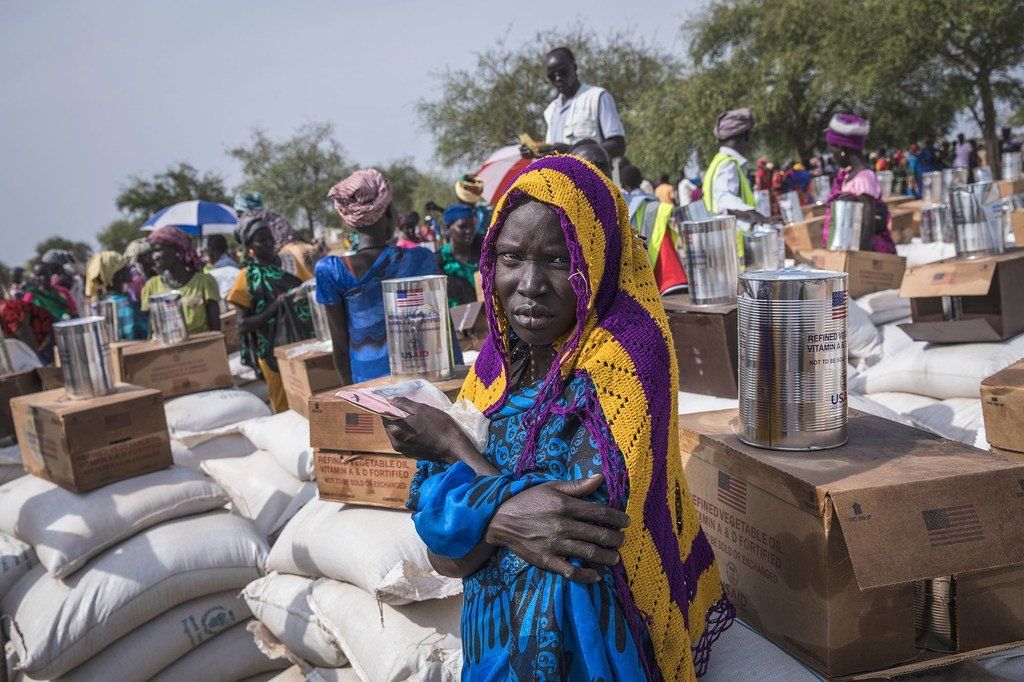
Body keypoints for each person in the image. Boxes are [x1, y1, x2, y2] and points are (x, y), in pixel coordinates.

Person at [385, 154, 733, 680]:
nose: (530, 284)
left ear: (595, 258)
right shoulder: (494, 366)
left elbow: (580, 535)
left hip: (593, 655)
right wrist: (503, 516)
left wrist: (455, 450)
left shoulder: (628, 356)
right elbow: (441, 550)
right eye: (511, 257)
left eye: (556, 260)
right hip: (492, 646)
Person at [316, 169, 439, 385]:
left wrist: (352, 395)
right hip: (425, 381)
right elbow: (440, 330)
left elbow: (340, 347)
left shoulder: (333, 270)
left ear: (350, 221)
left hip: (368, 387)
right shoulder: (421, 259)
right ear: (389, 212)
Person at [228, 215, 315, 412]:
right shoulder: (247, 277)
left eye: (270, 237)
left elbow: (310, 288)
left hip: (303, 342)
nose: (269, 242)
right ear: (249, 246)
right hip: (272, 353)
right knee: (285, 406)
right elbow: (243, 325)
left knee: (312, 396)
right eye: (261, 240)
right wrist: (275, 306)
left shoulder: (291, 262)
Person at [822, 113, 896, 253]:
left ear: (842, 149)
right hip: (848, 248)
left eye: (833, 151)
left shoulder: (863, 178)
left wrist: (858, 261)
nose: (833, 156)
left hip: (864, 253)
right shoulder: (849, 175)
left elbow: (868, 226)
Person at [543, 47, 626, 165]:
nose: (558, 78)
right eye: (552, 76)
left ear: (574, 67)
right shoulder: (550, 110)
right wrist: (537, 151)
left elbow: (618, 145)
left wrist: (572, 152)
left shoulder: (597, 97)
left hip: (591, 175)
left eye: (563, 72)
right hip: (558, 176)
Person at [141, 226, 221, 334]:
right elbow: (151, 332)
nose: (154, 256)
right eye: (152, 252)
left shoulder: (204, 283)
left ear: (177, 249)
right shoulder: (150, 287)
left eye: (158, 250)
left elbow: (216, 331)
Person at [703, 108, 774, 225]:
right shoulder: (728, 164)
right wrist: (753, 214)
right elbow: (723, 199)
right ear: (744, 137)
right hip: (734, 234)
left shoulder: (716, 163)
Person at [85, 251, 148, 340]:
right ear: (118, 275)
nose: (129, 269)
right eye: (125, 266)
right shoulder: (127, 305)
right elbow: (139, 337)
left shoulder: (95, 306)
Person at [439, 205, 482, 308]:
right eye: (462, 226)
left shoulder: (485, 255)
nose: (469, 231)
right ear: (448, 227)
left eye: (472, 226)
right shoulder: (440, 260)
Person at [123, 238, 156, 304]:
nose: (152, 256)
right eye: (147, 254)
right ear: (139, 257)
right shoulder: (136, 278)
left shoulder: (152, 271)